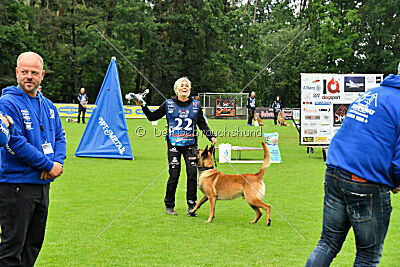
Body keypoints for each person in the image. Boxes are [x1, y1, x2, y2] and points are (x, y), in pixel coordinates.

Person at [305, 73, 400, 266]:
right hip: (366, 182)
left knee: (327, 243)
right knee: (367, 257)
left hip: (334, 171)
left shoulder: (372, 93)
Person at [0, 51, 67, 266]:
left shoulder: (48, 105)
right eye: (25, 72)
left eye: (34, 72)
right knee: (12, 247)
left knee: (33, 244)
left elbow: (59, 135)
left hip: (42, 184)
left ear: (42, 75)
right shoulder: (7, 102)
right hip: (16, 184)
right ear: (17, 72)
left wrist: (58, 162)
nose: (29, 76)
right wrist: (47, 164)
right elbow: (15, 142)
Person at [133, 77, 217, 216]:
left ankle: (192, 206)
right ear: (177, 89)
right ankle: (169, 205)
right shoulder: (168, 104)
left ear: (189, 90)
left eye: (187, 86)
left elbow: (202, 124)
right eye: (182, 86)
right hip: (174, 145)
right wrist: (143, 105)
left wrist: (211, 136)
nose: (185, 87)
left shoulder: (196, 105)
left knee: (191, 174)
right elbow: (152, 117)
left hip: (191, 145)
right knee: (174, 175)